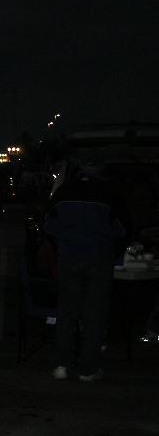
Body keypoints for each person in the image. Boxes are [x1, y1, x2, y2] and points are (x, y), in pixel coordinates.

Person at [45, 156, 127, 381]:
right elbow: (122, 228)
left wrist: (63, 243)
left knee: (66, 311)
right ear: (100, 168)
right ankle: (88, 368)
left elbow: (48, 225)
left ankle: (61, 365)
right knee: (94, 313)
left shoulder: (63, 192)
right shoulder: (110, 193)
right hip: (99, 258)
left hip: (69, 257)